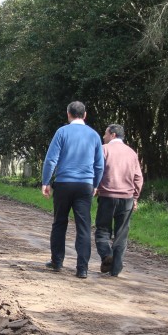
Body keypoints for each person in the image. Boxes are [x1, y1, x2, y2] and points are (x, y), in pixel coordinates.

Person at [41, 101, 104, 279]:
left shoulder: (62, 132)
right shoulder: (94, 135)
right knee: (83, 226)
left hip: (63, 183)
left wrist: (46, 181)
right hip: (85, 185)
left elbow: (51, 159)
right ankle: (82, 268)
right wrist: (95, 184)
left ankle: (57, 261)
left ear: (68, 114)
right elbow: (99, 165)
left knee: (59, 222)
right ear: (85, 115)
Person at [95, 124, 143, 277]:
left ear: (113, 135)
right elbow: (138, 178)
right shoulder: (132, 153)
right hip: (126, 198)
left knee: (102, 230)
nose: (103, 136)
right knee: (121, 234)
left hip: (107, 196)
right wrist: (135, 197)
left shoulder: (104, 149)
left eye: (105, 133)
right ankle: (115, 270)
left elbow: (97, 170)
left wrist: (95, 186)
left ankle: (106, 254)